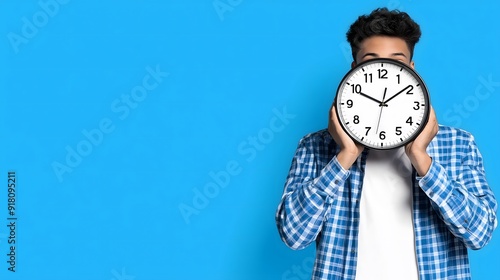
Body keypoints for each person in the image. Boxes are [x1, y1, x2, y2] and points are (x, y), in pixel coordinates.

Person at [275, 7, 497, 280]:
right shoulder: (315, 146)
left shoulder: (457, 144)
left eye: (397, 62)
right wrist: (344, 156)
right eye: (372, 61)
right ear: (355, 71)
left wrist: (421, 158)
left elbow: (480, 233)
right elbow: (294, 236)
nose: (386, 74)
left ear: (412, 72)